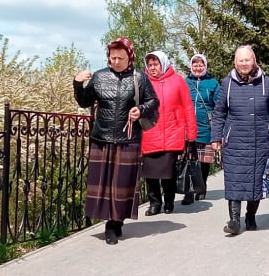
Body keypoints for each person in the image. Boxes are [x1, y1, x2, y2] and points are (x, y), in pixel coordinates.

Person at [73, 37, 159, 245]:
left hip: (128, 138)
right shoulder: (100, 77)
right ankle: (110, 223)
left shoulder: (139, 77)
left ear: (130, 56)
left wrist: (141, 110)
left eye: (121, 57)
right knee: (103, 184)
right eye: (113, 58)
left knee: (122, 184)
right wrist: (77, 83)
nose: (116, 61)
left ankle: (115, 222)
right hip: (102, 138)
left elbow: (154, 101)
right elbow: (85, 101)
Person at [211, 45, 269, 235]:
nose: (244, 63)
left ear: (254, 61)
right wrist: (215, 138)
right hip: (234, 141)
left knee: (256, 182)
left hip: (261, 141)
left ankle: (250, 216)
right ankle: (234, 221)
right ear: (235, 62)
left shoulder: (266, 83)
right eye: (240, 60)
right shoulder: (227, 84)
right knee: (234, 180)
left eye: (247, 60)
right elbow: (219, 113)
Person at [141, 50, 197, 216]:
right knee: (150, 173)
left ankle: (169, 201)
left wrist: (191, 133)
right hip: (149, 133)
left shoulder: (178, 81)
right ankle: (154, 203)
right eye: (149, 65)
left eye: (155, 64)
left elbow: (187, 106)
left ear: (163, 64)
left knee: (168, 173)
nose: (152, 68)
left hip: (172, 133)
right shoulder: (143, 82)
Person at [181, 54, 220, 205]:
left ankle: (201, 187)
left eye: (201, 65)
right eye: (195, 65)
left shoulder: (213, 83)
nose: (198, 68)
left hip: (205, 127)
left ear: (205, 66)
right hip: (187, 127)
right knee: (189, 161)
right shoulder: (185, 82)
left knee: (203, 162)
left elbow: (218, 106)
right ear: (191, 66)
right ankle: (188, 192)